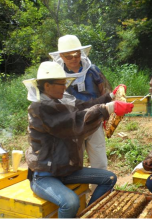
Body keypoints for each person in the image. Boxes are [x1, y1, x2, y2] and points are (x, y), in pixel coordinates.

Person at [23, 61, 134, 218]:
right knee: (71, 202)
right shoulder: (39, 108)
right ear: (47, 86)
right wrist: (108, 108)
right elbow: (73, 121)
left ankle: (87, 215)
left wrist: (109, 97)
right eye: (61, 84)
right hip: (45, 174)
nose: (65, 87)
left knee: (108, 178)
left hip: (65, 169)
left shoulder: (61, 101)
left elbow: (85, 106)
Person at [49, 35, 111, 174]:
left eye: (76, 54)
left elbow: (105, 90)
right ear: (61, 56)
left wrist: (107, 111)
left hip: (95, 120)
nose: (74, 59)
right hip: (72, 124)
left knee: (99, 159)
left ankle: (101, 191)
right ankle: (81, 193)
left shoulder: (93, 70)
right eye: (68, 56)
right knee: (75, 161)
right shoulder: (57, 75)